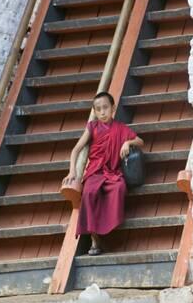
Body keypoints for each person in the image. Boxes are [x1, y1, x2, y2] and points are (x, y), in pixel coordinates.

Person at [62, 91, 145, 255]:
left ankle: (108, 231)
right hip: (95, 172)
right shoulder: (92, 127)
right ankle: (94, 240)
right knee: (89, 193)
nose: (102, 112)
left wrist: (127, 142)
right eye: (98, 109)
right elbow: (76, 149)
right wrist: (72, 170)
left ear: (113, 108)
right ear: (94, 111)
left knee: (119, 187)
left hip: (113, 172)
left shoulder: (120, 129)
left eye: (105, 108)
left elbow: (140, 141)